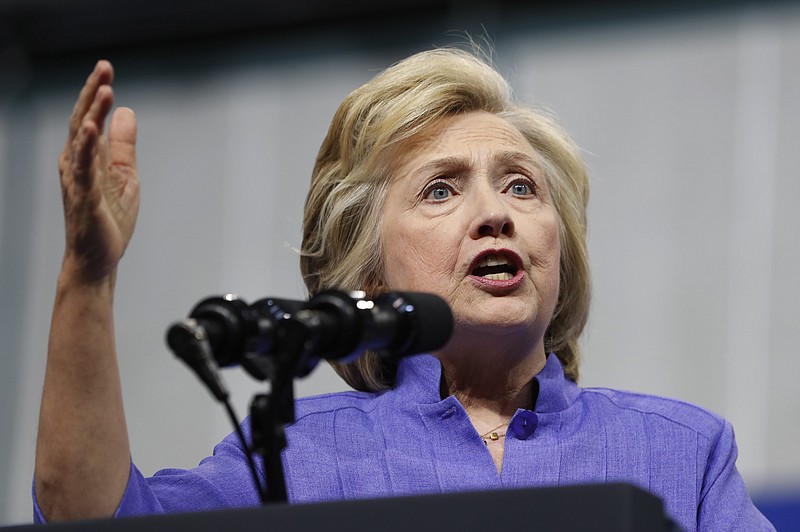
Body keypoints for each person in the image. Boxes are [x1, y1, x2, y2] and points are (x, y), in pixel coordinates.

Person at [33, 48, 774, 531]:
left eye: (521, 185)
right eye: (441, 191)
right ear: (370, 275)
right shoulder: (291, 459)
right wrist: (87, 278)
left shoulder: (681, 452)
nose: (495, 214)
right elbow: (86, 519)